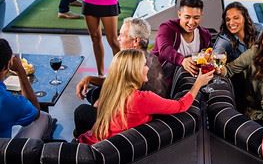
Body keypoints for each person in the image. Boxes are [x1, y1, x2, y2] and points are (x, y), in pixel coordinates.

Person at [77, 49, 214, 144]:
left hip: (87, 140)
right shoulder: (142, 99)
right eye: (144, 65)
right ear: (133, 71)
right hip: (96, 148)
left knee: (82, 110)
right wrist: (198, 83)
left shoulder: (113, 91)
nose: (147, 68)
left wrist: (90, 79)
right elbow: (181, 106)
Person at [73, 17, 166, 137]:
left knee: (81, 112)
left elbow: (125, 95)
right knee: (95, 93)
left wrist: (103, 104)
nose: (118, 39)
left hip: (136, 120)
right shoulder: (148, 57)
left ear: (135, 41)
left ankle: (85, 141)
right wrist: (89, 79)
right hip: (139, 109)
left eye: (122, 35)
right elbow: (115, 82)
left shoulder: (134, 65)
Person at [152, 0, 213, 82]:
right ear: (179, 14)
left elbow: (208, 57)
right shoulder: (166, 28)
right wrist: (182, 60)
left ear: (201, 16)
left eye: (196, 17)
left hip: (190, 83)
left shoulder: (205, 35)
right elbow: (164, 49)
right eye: (187, 17)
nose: (191, 22)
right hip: (161, 81)